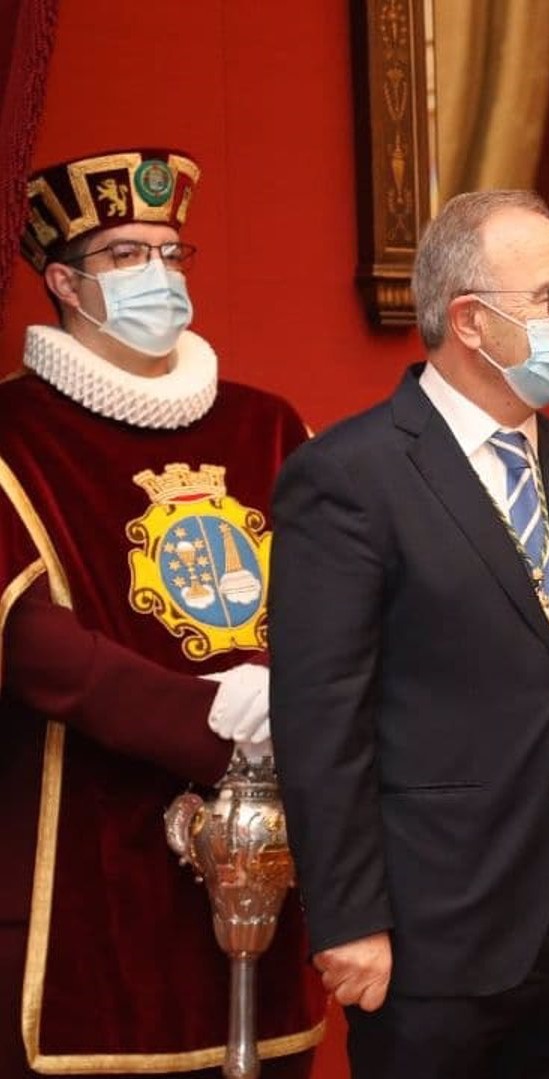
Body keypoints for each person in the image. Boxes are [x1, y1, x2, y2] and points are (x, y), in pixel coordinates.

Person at [269, 189, 549, 1079]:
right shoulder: (349, 475)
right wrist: (347, 917)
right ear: (468, 320)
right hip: (431, 932)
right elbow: (321, 722)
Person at [0, 148, 324, 1077]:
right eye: (126, 256)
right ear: (63, 281)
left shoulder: (268, 424)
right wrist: (212, 719)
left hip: (269, 835)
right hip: (85, 857)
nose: (159, 277)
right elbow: (33, 648)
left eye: (171, 254)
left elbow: (341, 604)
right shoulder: (14, 436)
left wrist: (293, 703)